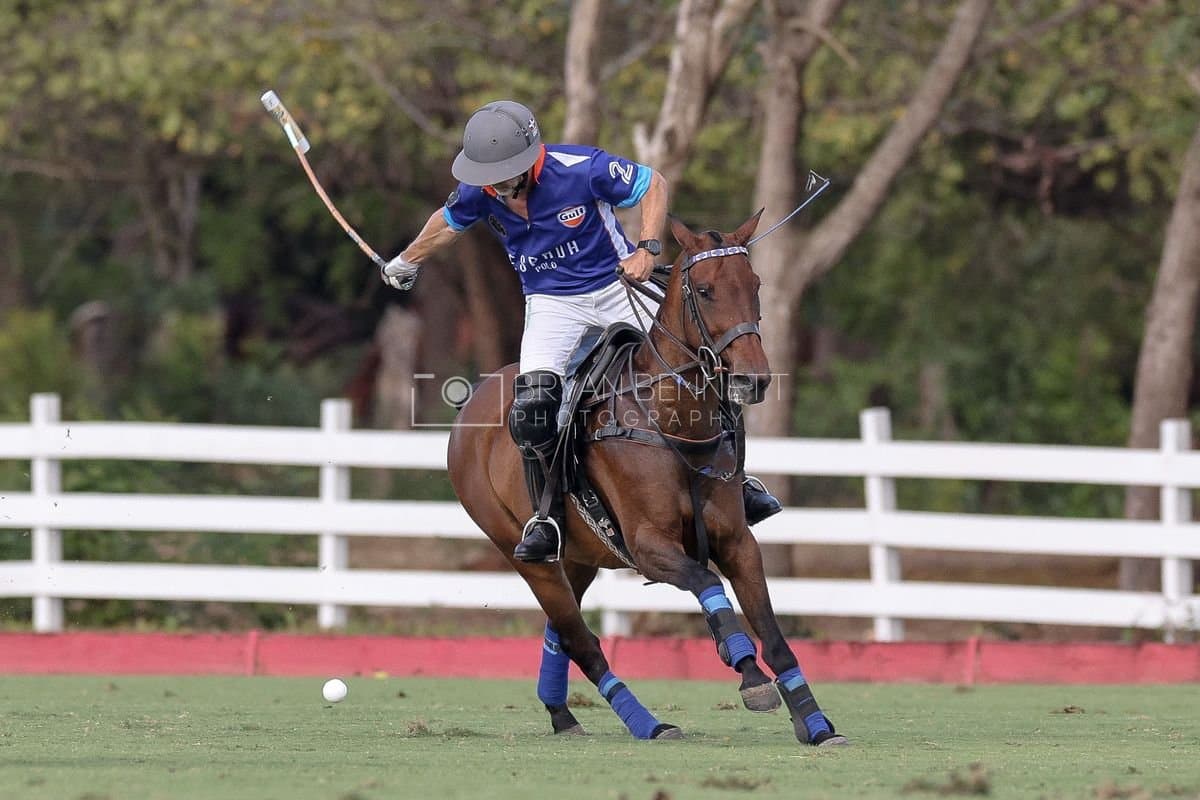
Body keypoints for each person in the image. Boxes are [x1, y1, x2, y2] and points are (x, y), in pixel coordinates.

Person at [382, 100, 780, 563]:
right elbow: (445, 224)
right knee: (532, 409)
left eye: (505, 174)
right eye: (489, 177)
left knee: (705, 367)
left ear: (531, 158)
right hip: (552, 305)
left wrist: (648, 248)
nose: (497, 187)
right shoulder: (481, 190)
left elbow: (653, 183)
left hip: (617, 284)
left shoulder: (581, 167)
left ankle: (740, 482)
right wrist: (405, 261)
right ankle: (547, 518)